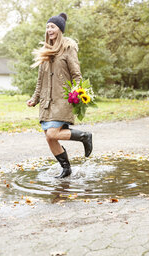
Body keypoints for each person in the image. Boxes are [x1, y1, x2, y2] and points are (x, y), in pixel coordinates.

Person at [27, 13, 93, 178]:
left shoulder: (68, 49)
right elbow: (40, 81)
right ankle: (66, 168)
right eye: (48, 26)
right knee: (50, 139)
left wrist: (75, 93)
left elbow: (77, 76)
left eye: (53, 27)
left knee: (52, 133)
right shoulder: (46, 52)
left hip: (63, 100)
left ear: (60, 30)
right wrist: (34, 99)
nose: (50, 29)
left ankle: (85, 136)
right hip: (46, 103)